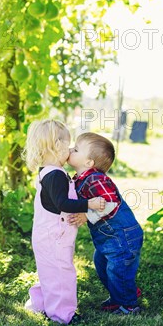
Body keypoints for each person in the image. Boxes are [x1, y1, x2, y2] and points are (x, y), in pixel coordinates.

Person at [23, 119, 106, 325]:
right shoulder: (56, 175)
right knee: (62, 274)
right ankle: (63, 315)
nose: (70, 150)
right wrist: (90, 204)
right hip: (55, 237)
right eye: (68, 145)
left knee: (49, 272)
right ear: (56, 146)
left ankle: (40, 304)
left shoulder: (47, 171)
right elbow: (63, 203)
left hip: (45, 235)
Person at [67, 132, 143, 315]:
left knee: (118, 267)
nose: (70, 150)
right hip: (110, 237)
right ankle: (121, 294)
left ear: (89, 163)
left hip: (122, 235)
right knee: (100, 261)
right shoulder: (82, 178)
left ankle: (129, 304)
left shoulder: (95, 179)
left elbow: (111, 202)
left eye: (76, 149)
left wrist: (86, 216)